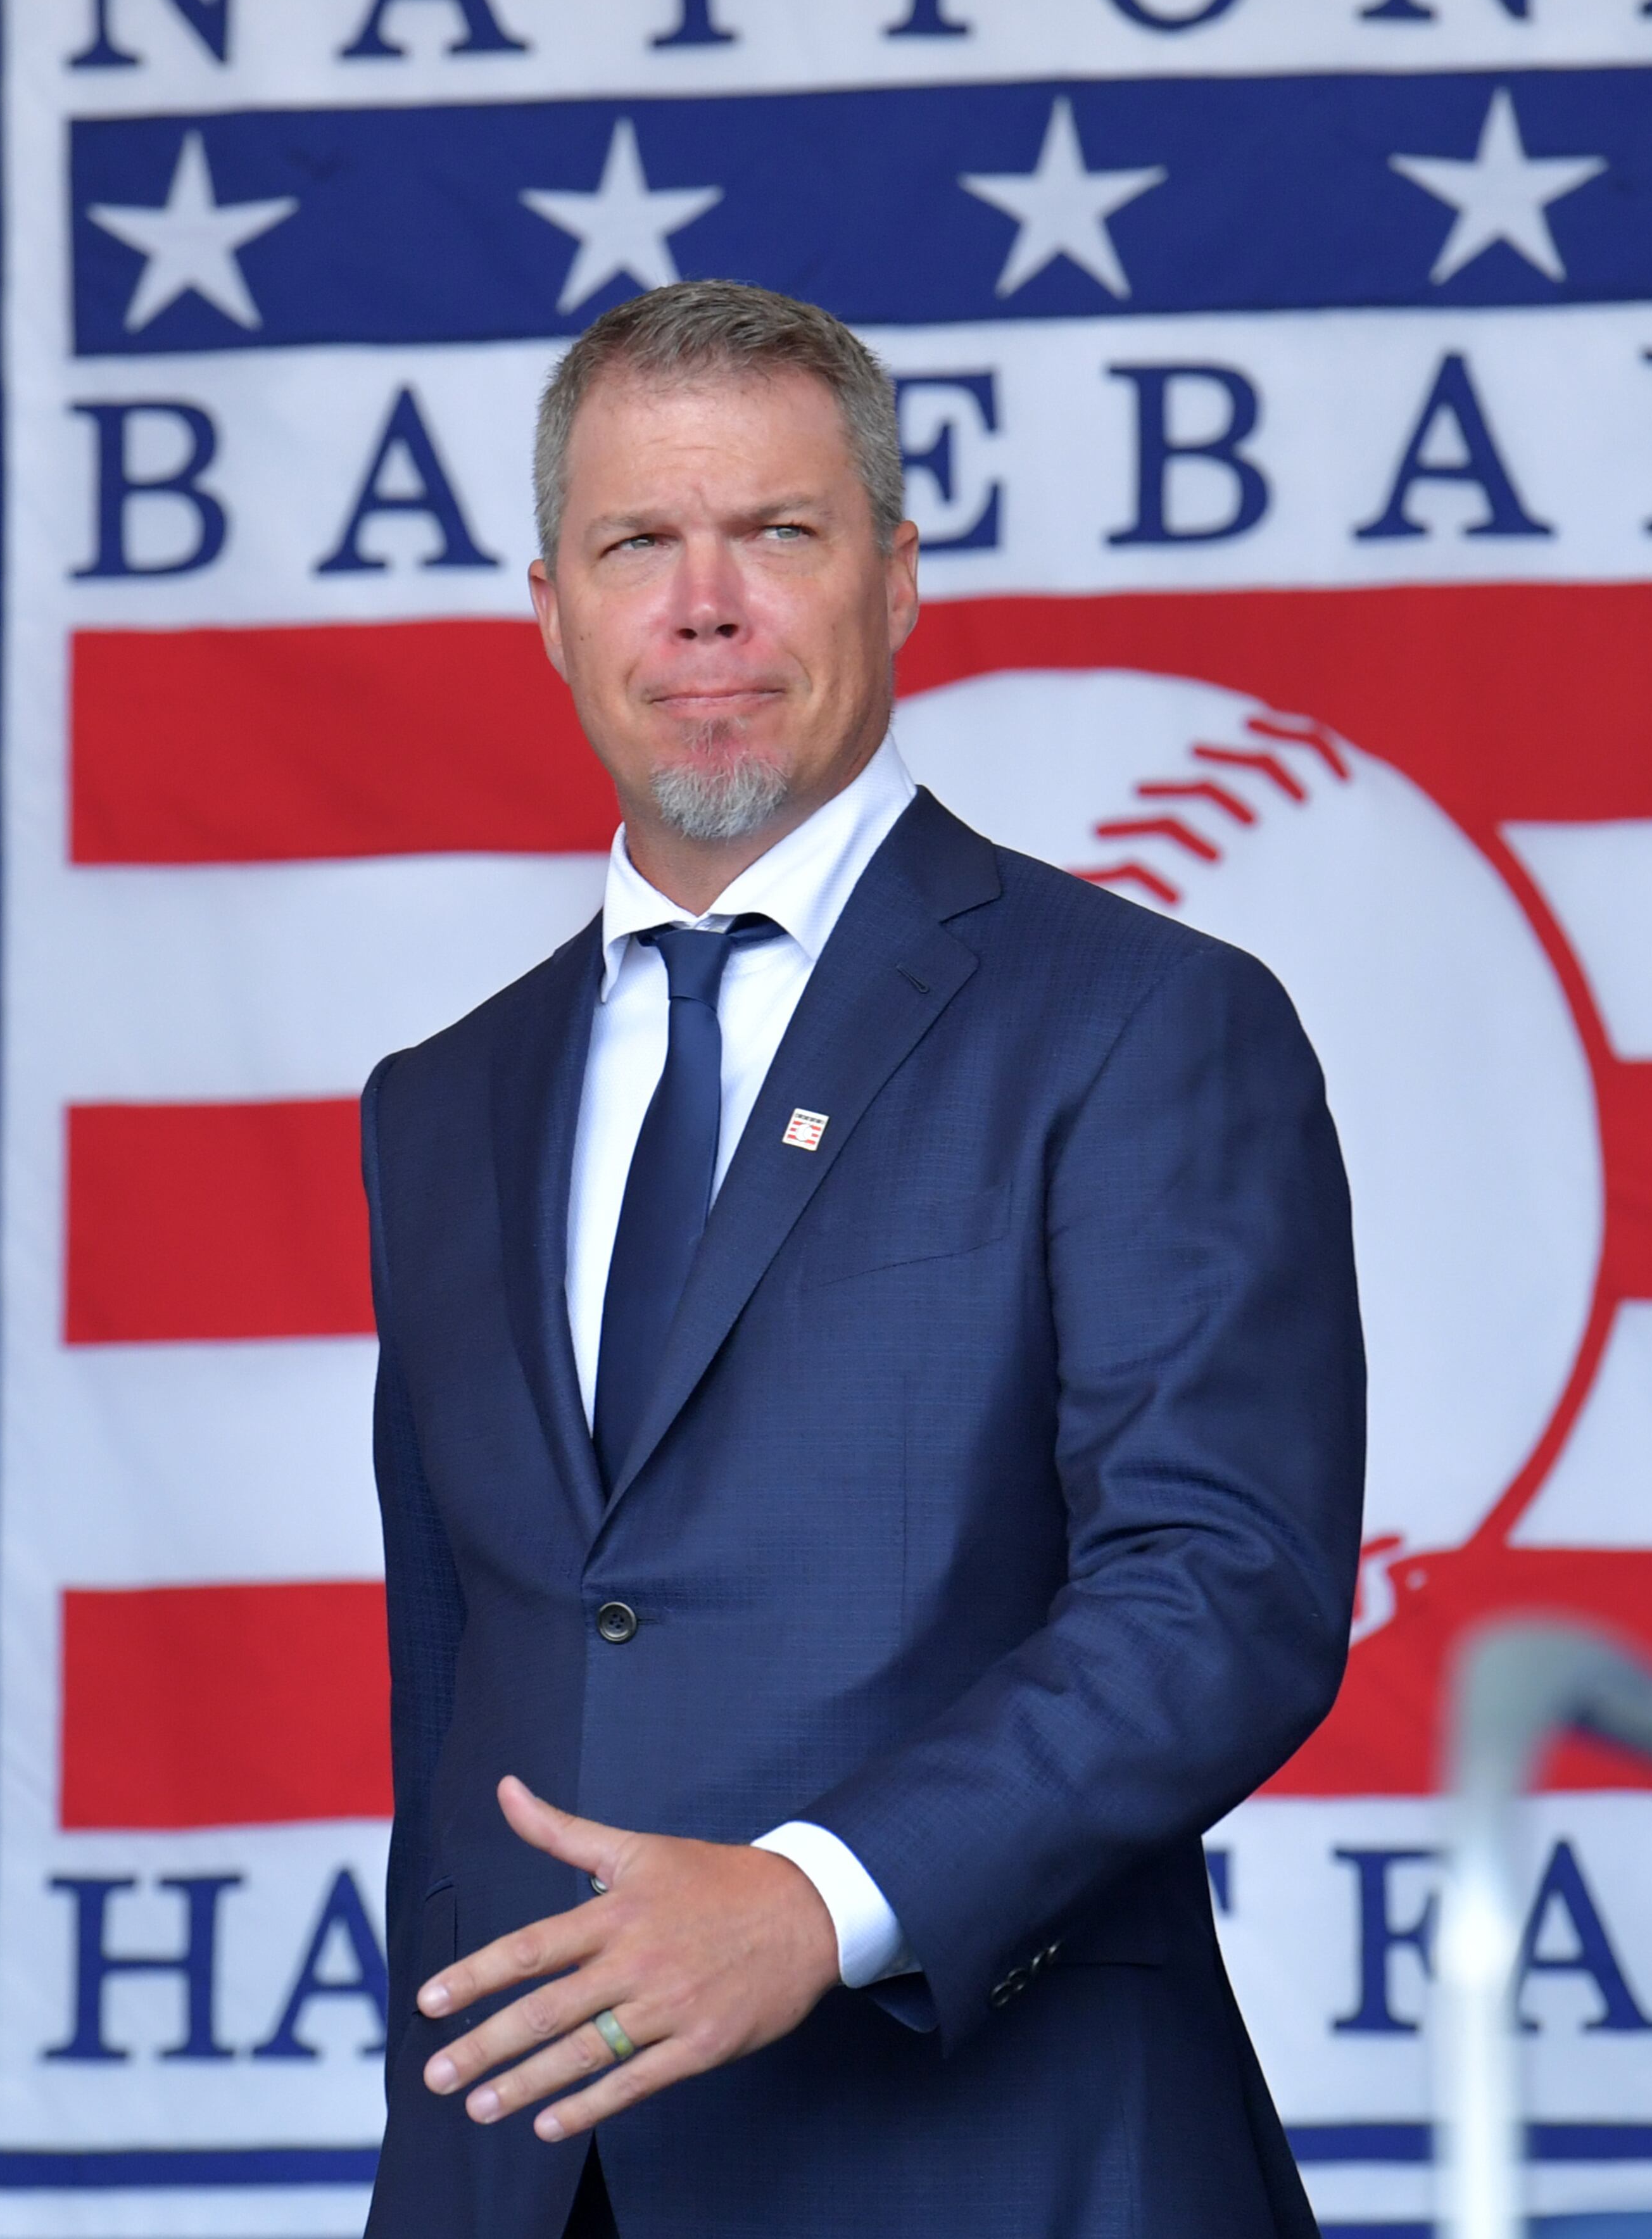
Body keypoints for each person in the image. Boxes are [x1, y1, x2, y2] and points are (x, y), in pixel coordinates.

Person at [362, 279, 1366, 2239]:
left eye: (781, 533)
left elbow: (1225, 1583)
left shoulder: (1142, 1017)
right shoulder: (439, 1102)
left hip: (1003, 2160)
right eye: (639, 541)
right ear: (551, 606)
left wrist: (820, 1894)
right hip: (526, 2185)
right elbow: (462, 1681)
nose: (707, 602)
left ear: (896, 581)